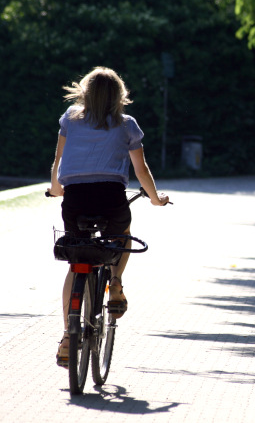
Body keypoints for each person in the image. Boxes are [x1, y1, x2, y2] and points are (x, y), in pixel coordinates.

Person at [48, 66, 169, 367]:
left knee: (77, 261)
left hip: (75, 198)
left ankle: (67, 338)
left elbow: (58, 160)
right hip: (111, 198)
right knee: (121, 235)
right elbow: (141, 170)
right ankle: (115, 283)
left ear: (84, 93)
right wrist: (155, 199)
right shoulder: (127, 124)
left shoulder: (70, 119)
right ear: (119, 95)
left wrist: (55, 189)